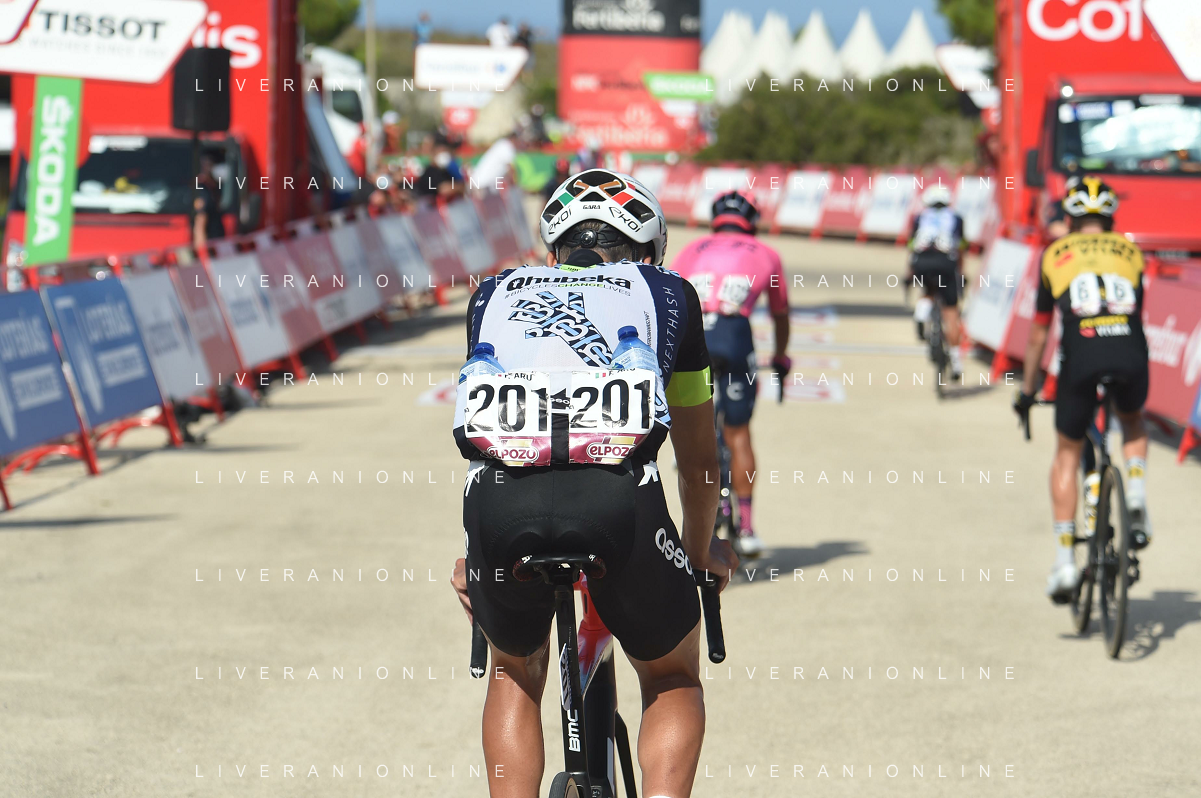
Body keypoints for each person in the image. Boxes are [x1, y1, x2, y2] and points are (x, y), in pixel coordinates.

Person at [450, 168, 738, 798]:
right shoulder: (669, 293)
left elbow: (485, 434)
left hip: (500, 505)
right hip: (617, 502)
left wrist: (470, 553)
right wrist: (698, 553)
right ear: (647, 251)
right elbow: (697, 458)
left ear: (555, 249)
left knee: (513, 673)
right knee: (671, 677)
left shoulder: (492, 293)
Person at [1013, 176, 1151, 604]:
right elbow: (1136, 313)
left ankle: (1064, 563)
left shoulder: (1054, 254)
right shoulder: (1130, 251)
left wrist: (1028, 391)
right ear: (1110, 218)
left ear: (1070, 219)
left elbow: (1039, 334)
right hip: (1129, 350)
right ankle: (1136, 492)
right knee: (1131, 420)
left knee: (1067, 453)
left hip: (1082, 356)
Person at [669, 190, 790, 558]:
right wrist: (781, 356)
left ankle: (694, 527)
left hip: (692, 332)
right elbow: (780, 313)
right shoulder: (767, 253)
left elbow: (667, 297)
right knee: (738, 434)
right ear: (751, 222)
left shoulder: (691, 249)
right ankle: (748, 527)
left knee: (692, 433)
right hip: (734, 334)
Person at [908, 185, 968, 378]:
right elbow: (960, 247)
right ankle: (956, 363)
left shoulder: (919, 217)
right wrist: (961, 273)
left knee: (928, 291)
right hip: (945, 263)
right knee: (951, 311)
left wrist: (910, 273)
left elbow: (912, 246)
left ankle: (921, 313)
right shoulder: (956, 218)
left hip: (922, 262)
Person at [192, 156, 226, 251]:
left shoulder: (212, 187)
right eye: (208, 166)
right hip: (210, 244)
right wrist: (202, 250)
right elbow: (200, 220)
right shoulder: (202, 189)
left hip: (216, 241)